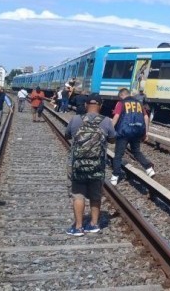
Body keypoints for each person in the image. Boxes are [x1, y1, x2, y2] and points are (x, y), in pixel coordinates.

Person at [64, 94, 115, 236]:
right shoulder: (107, 121)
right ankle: (93, 224)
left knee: (78, 195)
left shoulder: (75, 119)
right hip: (97, 166)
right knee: (95, 195)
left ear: (86, 105)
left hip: (77, 165)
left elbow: (67, 135)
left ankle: (79, 227)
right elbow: (112, 140)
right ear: (101, 105)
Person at [110, 88, 155, 186]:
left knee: (118, 155)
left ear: (121, 95)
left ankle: (115, 176)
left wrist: (110, 129)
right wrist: (146, 133)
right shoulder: (139, 103)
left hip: (124, 132)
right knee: (136, 152)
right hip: (136, 131)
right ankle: (149, 168)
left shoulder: (121, 103)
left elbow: (116, 117)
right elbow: (146, 117)